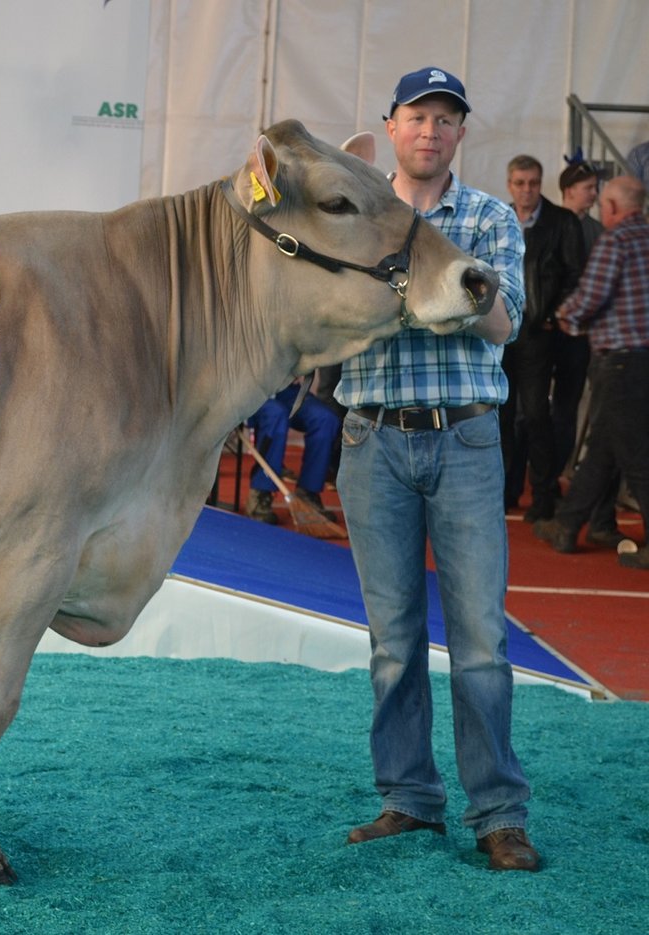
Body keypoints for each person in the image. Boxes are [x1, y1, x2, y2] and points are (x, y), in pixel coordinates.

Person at [335, 67, 539, 871]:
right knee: (393, 639)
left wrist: (453, 292)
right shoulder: (353, 213)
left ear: (460, 133)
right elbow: (340, 320)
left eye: (446, 118)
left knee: (482, 637)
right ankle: (410, 801)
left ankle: (498, 812)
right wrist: (434, 294)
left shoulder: (489, 216)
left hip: (464, 441)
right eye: (418, 115)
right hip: (371, 440)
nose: (431, 129)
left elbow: (501, 325)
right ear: (391, 126)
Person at [533, 176, 649, 569]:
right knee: (603, 446)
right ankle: (567, 526)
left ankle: (569, 526)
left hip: (619, 360)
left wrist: (563, 316)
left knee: (634, 454)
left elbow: (591, 296)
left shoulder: (614, 241)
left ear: (614, 207)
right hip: (643, 361)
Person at [499, 155, 587, 520]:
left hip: (538, 334)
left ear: (541, 182)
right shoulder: (499, 218)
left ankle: (544, 495)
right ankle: (505, 491)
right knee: (502, 416)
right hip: (502, 333)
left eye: (533, 182)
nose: (527, 190)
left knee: (536, 416)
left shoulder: (562, 222)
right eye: (520, 183)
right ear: (510, 185)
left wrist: (552, 315)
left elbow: (574, 274)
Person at [558, 160, 626, 548]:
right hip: (580, 339)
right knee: (596, 432)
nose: (594, 196)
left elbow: (592, 292)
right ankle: (576, 515)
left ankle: (577, 519)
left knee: (602, 432)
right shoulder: (611, 235)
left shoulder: (607, 235)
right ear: (570, 190)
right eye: (588, 188)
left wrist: (566, 315)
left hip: (598, 342)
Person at [243, 378, 340, 525]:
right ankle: (260, 492)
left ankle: (308, 492)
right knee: (276, 414)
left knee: (325, 419)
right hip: (251, 389)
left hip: (287, 389)